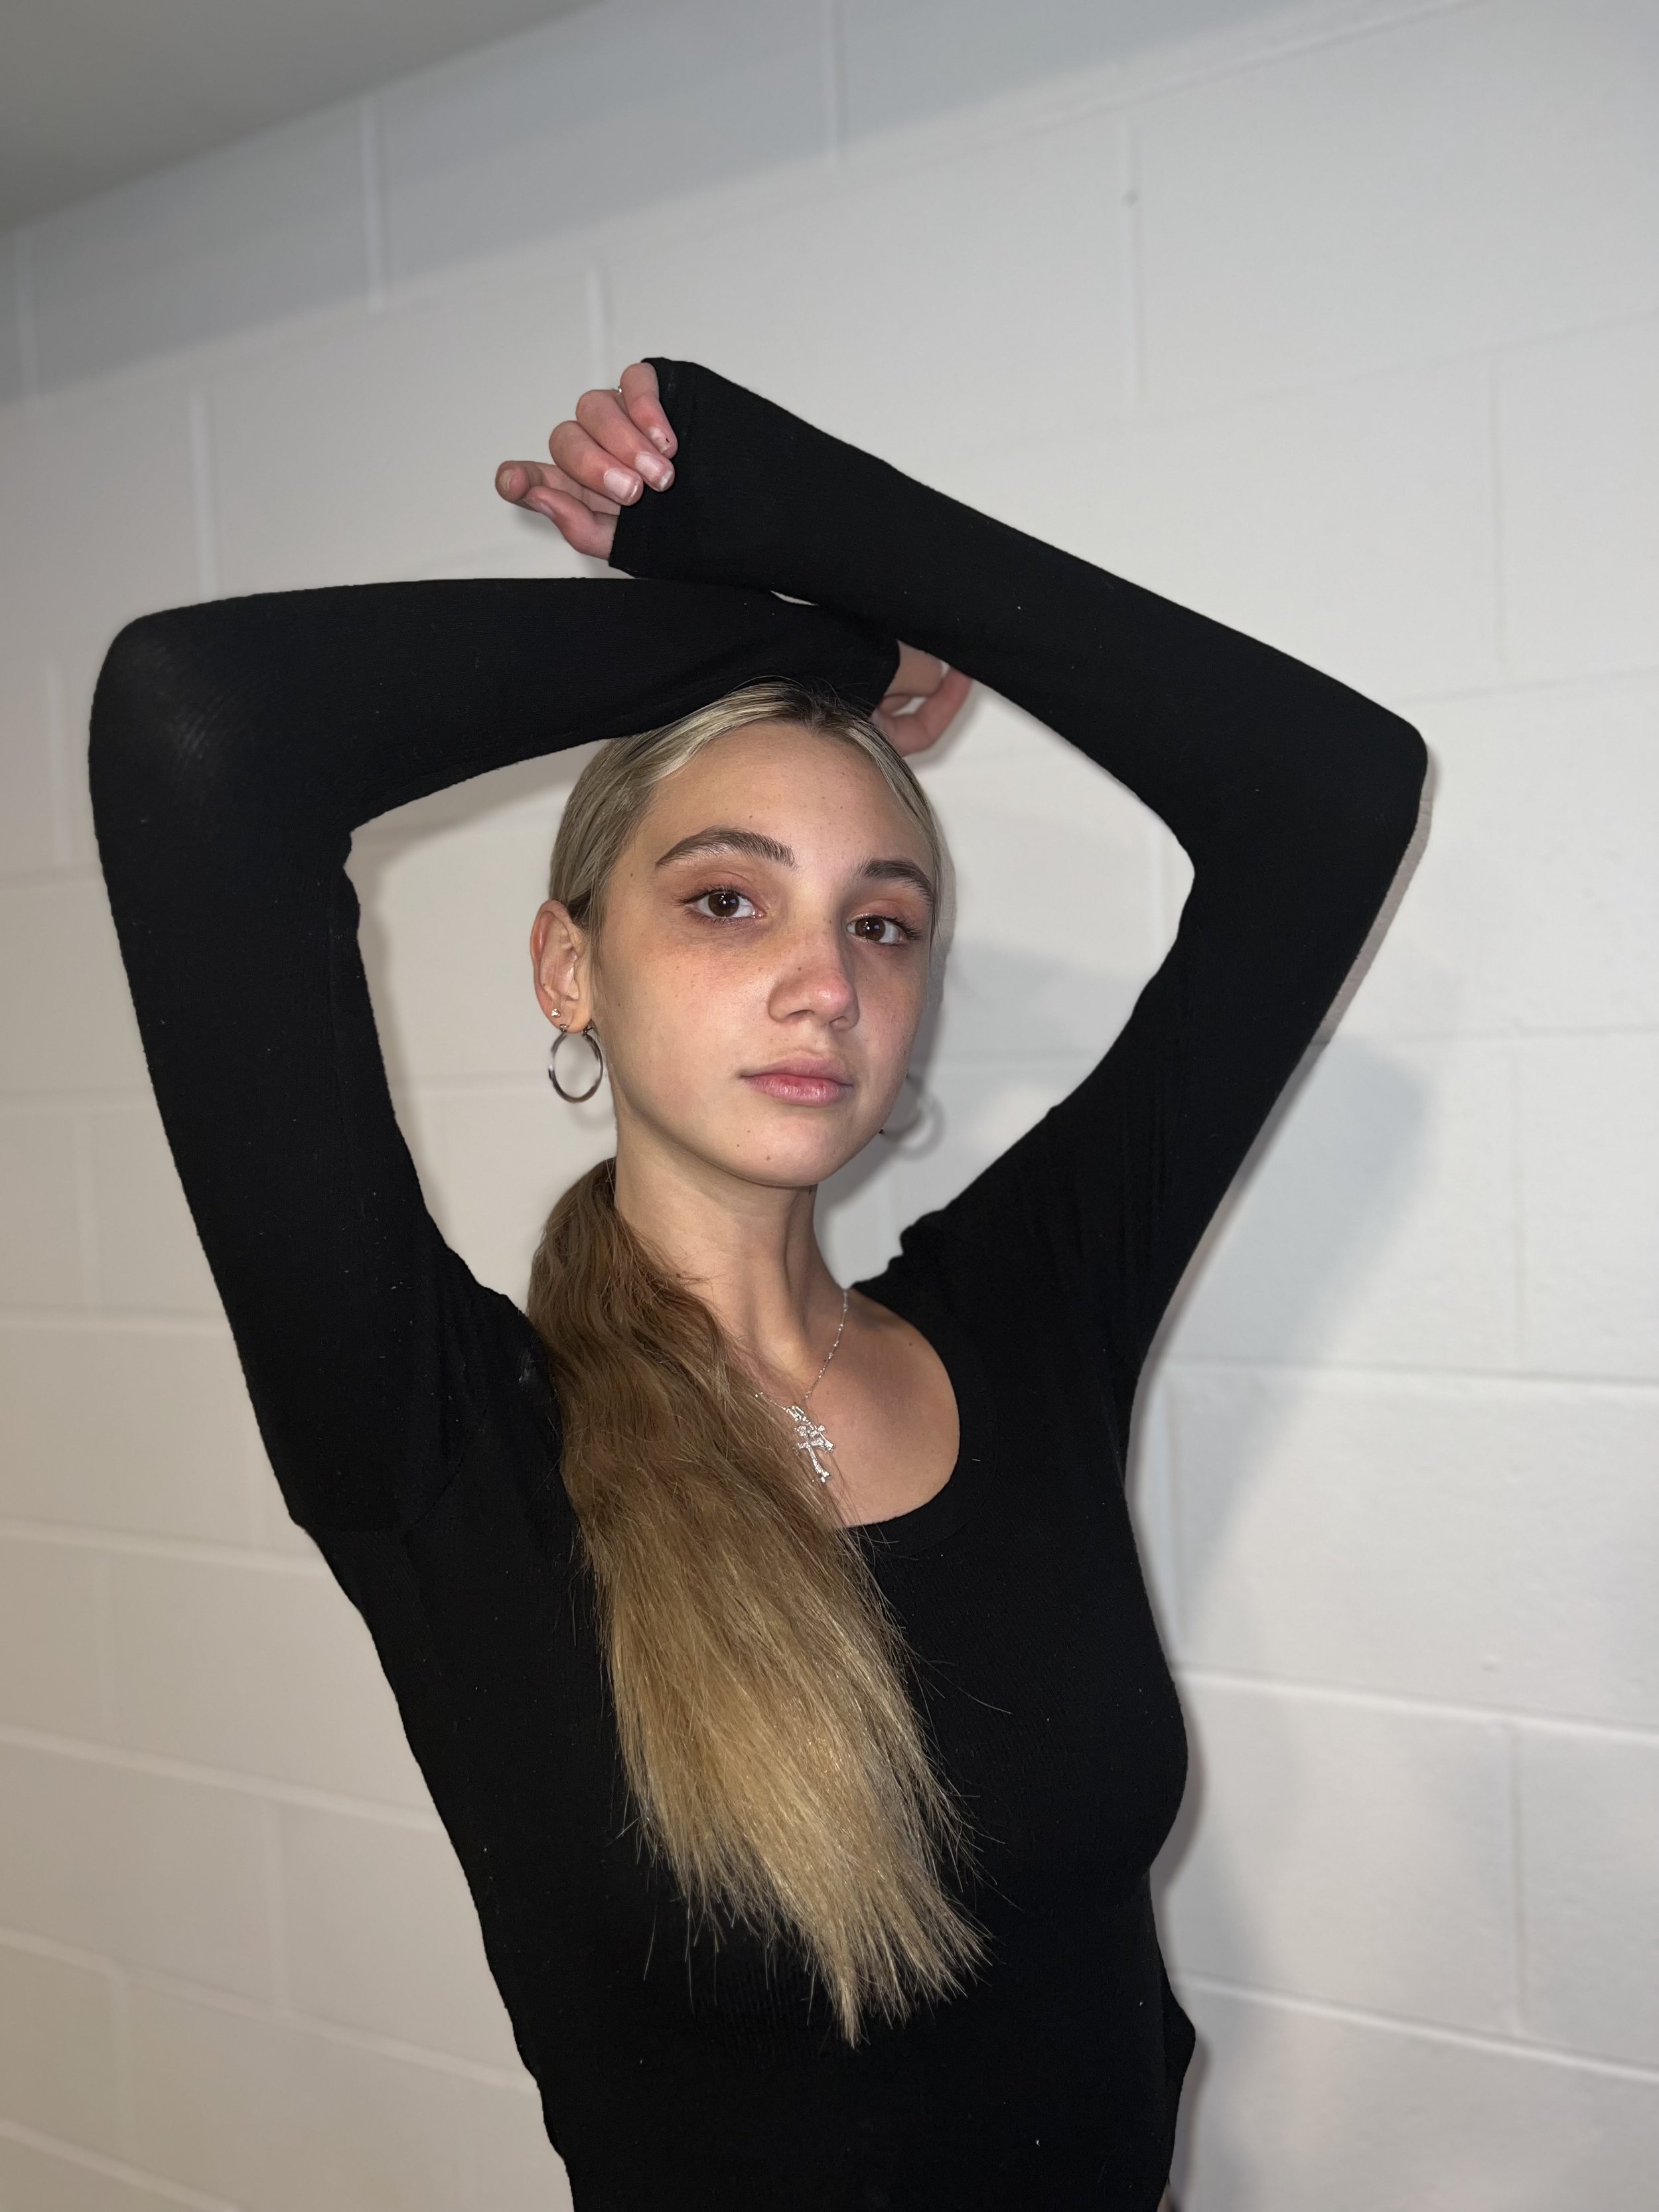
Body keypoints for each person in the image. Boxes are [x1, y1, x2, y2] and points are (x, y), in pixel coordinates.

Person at [90, 356, 1427, 2211]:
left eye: (883, 921)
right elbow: (196, 719)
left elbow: (1335, 795)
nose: (827, 984)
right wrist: (811, 640)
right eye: (726, 899)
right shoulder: (445, 1449)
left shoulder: (1028, 1324)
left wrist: (829, 525)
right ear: (570, 967)